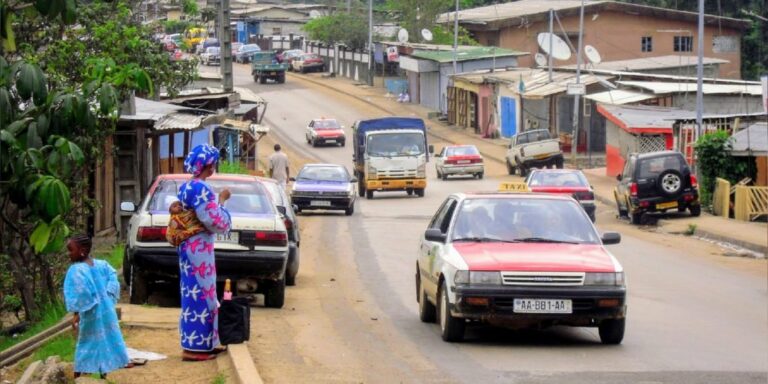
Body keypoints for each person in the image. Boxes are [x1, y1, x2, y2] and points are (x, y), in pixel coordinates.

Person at [177, 144, 233, 361]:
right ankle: (196, 348)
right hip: (198, 250)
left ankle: (202, 343)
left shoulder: (186, 187)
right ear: (209, 166)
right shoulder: (202, 189)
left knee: (192, 292)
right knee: (202, 295)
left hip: (187, 247)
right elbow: (215, 221)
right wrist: (223, 202)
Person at [63, 234, 130, 379]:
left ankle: (79, 374)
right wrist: (108, 295)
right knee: (106, 338)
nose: (68, 253)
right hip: (107, 311)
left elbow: (81, 294)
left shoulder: (76, 270)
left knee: (86, 342)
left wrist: (76, 313)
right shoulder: (102, 264)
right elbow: (113, 276)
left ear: (82, 250)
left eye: (70, 250)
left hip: (90, 314)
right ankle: (103, 373)